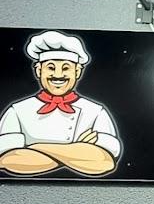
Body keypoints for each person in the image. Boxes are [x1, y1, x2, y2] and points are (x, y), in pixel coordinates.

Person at [0, 31, 122, 177]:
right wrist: (78, 152)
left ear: (77, 71)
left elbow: (104, 162)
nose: (58, 75)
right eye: (51, 67)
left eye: (66, 68)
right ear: (39, 71)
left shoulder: (96, 112)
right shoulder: (17, 111)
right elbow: (8, 160)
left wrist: (34, 147)